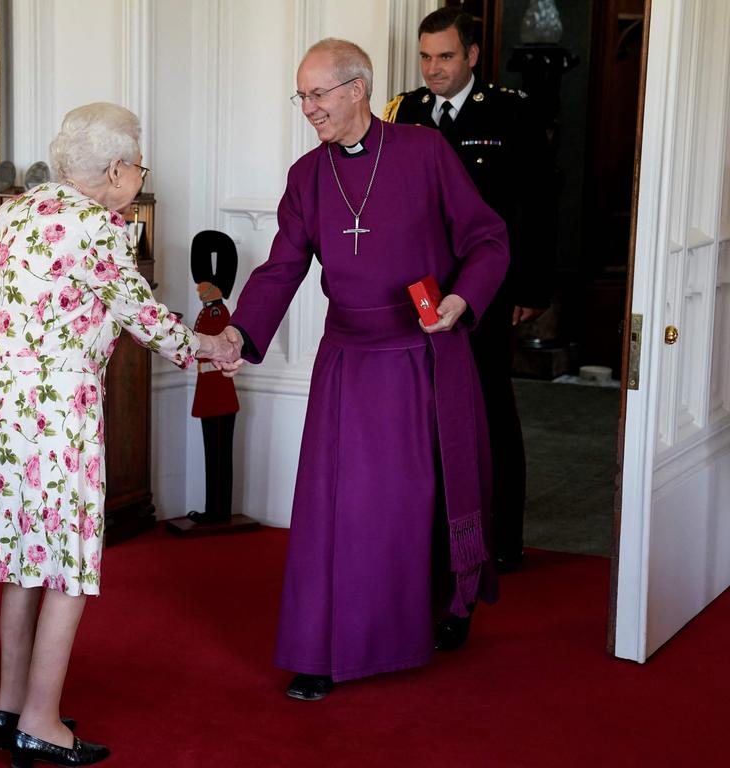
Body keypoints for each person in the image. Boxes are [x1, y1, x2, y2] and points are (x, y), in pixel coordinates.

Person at [217, 38, 509, 701]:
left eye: (318, 94)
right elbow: (282, 267)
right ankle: (322, 648)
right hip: (348, 360)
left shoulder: (425, 153)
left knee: (419, 499)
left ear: (357, 89)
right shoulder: (306, 176)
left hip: (423, 351)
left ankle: (443, 610)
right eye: (303, 96)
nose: (309, 109)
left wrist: (462, 301)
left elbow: (487, 238)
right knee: (336, 510)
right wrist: (240, 329)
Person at [0, 102, 238, 766]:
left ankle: (9, 705)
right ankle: (41, 721)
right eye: (138, 164)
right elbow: (143, 316)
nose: (139, 175)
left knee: (25, 560)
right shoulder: (102, 228)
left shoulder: (13, 214)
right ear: (115, 169)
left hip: (1, 412)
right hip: (59, 417)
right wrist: (209, 346)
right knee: (66, 569)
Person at [384, 7, 554, 573]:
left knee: (488, 408)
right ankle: (435, 535)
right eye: (426, 56)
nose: (433, 69)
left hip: (485, 286)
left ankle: (502, 539)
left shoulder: (510, 113)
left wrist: (531, 286)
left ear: (473, 56)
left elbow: (536, 207)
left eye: (446, 56)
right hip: (420, 288)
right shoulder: (405, 112)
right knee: (425, 408)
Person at [186, 230, 240, 525]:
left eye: (203, 285)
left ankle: (219, 510)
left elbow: (215, 347)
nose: (199, 290)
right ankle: (215, 508)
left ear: (214, 288)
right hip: (211, 388)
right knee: (214, 454)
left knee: (219, 454)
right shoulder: (210, 310)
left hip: (217, 389)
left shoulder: (217, 313)